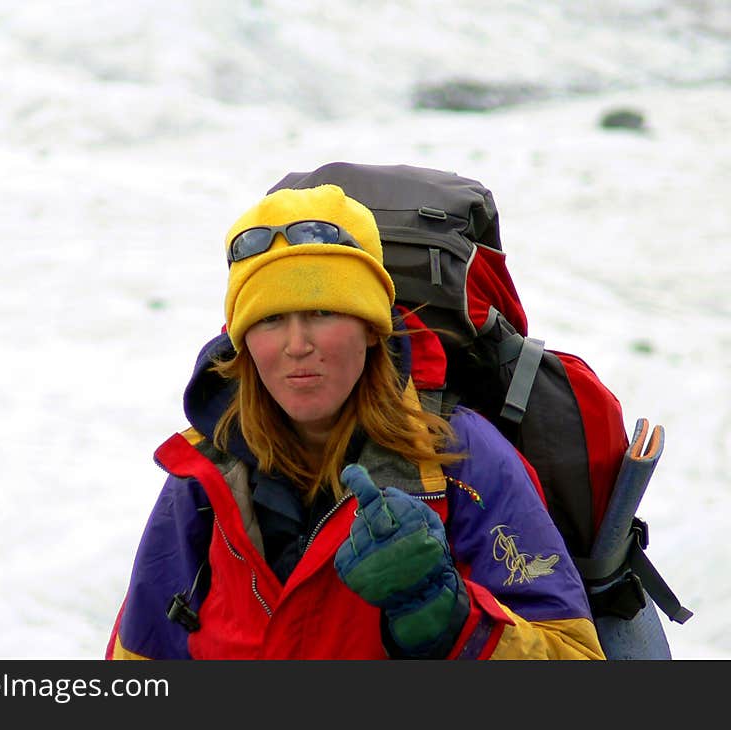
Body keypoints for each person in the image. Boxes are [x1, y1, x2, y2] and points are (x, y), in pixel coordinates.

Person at [106, 184, 605, 660]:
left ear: (371, 329)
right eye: (270, 319)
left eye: (323, 312)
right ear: (242, 341)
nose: (297, 345)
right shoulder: (204, 472)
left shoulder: (461, 459)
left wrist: (446, 617)